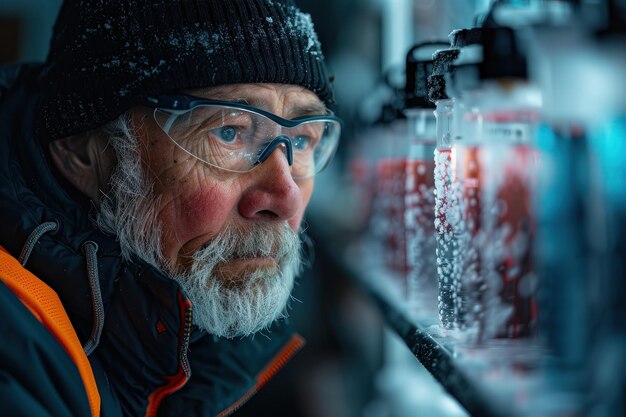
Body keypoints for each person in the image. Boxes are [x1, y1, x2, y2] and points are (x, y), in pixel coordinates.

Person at [0, 1, 340, 416]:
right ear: (84, 150)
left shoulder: (205, 329)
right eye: (229, 132)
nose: (286, 198)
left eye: (302, 141)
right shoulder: (15, 350)